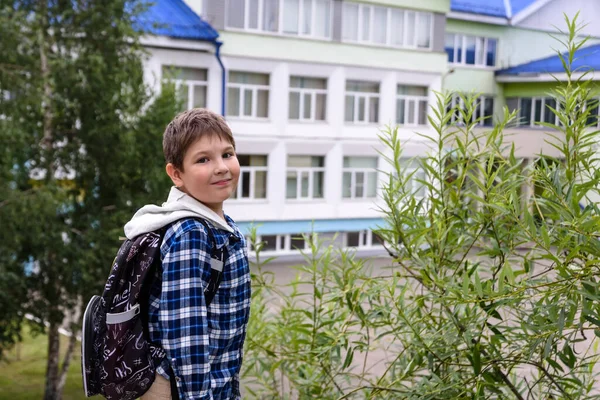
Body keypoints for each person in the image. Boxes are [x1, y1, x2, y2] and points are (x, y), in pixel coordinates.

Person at [123, 108, 251, 399]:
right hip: (185, 391)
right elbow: (186, 338)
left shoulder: (220, 226)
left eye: (227, 154)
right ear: (176, 174)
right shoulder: (191, 234)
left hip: (216, 386)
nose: (221, 167)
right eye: (203, 159)